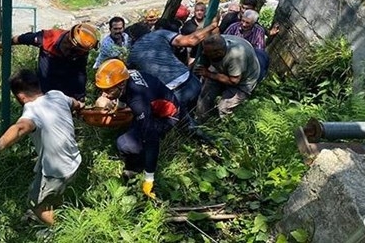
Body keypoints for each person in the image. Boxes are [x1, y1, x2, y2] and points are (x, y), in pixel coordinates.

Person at [0, 69, 84, 226]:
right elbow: (76, 103)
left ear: (20, 97)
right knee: (49, 191)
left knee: (35, 204)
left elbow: (21, 127)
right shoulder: (57, 95)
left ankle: (66, 229)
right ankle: (55, 204)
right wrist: (81, 106)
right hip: (74, 160)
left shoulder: (31, 110)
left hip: (57, 171)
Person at [95, 59, 181, 199]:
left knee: (125, 143)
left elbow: (151, 139)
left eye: (107, 90)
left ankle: (136, 167)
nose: (104, 94)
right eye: (102, 90)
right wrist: (118, 107)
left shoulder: (138, 100)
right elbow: (124, 96)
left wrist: (149, 178)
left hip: (166, 117)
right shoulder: (126, 76)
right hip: (151, 108)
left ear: (121, 84)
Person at [126, 16, 220, 113]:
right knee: (208, 111)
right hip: (189, 81)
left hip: (172, 93)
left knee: (187, 124)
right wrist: (211, 26)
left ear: (132, 38)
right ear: (148, 30)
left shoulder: (132, 55)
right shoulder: (160, 34)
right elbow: (191, 40)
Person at [0, 23, 98, 101]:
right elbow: (23, 39)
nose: (77, 53)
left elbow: (80, 73)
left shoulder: (81, 52)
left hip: (66, 90)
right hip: (45, 88)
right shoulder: (48, 38)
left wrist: (80, 96)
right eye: (77, 50)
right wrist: (4, 43)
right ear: (71, 43)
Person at [194, 34, 261, 122]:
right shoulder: (213, 42)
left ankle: (223, 128)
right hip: (222, 70)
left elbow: (234, 81)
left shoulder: (236, 56)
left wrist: (208, 74)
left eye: (207, 52)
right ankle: (200, 121)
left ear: (218, 52)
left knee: (223, 108)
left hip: (243, 82)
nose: (204, 53)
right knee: (205, 96)